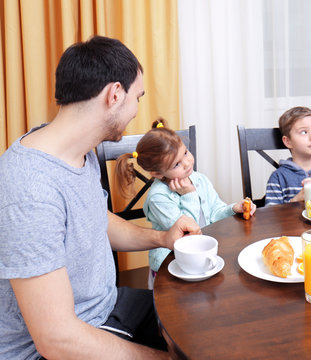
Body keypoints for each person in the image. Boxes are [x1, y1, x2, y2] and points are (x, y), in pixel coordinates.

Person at [0, 36, 201, 359]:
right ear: (114, 94)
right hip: (58, 345)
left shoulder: (79, 151)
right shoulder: (29, 189)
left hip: (107, 307)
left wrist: (162, 237)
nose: (137, 109)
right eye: (137, 97)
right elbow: (57, 340)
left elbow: (96, 219)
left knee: (203, 325)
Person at [115, 118, 256, 282]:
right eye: (176, 164)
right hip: (172, 266)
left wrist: (233, 209)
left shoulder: (198, 179)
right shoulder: (158, 197)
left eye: (186, 152)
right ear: (157, 173)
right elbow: (187, 237)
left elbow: (215, 212)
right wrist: (189, 195)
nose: (187, 162)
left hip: (202, 256)